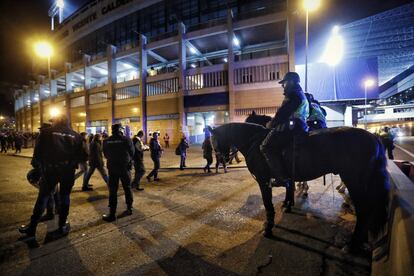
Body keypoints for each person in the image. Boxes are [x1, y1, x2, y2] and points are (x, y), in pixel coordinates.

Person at [18, 116, 85, 239]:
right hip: (67, 171)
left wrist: (40, 167)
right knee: (65, 196)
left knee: (43, 197)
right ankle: (61, 226)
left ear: (56, 121)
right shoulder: (76, 136)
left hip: (50, 170)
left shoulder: (46, 133)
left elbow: (37, 153)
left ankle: (32, 228)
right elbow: (83, 156)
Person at [260, 72, 309, 184]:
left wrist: (271, 124)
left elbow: (283, 113)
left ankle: (281, 177)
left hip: (292, 127)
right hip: (300, 126)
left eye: (284, 83)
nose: (282, 85)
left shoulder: (293, 94)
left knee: (265, 147)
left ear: (291, 82)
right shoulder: (301, 94)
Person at [102, 124, 135, 222]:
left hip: (112, 168)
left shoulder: (106, 141)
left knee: (113, 190)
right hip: (124, 168)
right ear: (121, 130)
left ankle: (112, 214)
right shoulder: (126, 139)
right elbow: (132, 153)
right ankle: (129, 208)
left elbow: (106, 154)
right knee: (127, 188)